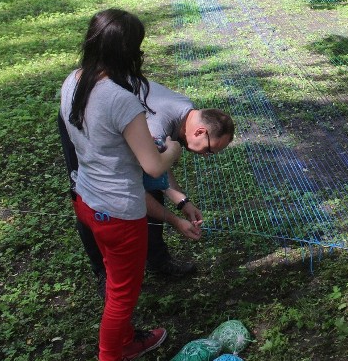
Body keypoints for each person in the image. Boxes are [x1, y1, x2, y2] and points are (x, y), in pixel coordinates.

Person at [60, 9, 181, 361]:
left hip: (88, 200)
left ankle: (127, 341)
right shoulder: (119, 99)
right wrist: (174, 145)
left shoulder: (73, 81)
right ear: (128, 51)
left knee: (117, 280)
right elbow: (154, 165)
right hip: (119, 213)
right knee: (121, 295)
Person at [59, 84, 235, 295]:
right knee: (88, 195)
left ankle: (157, 259)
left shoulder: (186, 112)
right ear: (200, 131)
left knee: (149, 180)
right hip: (81, 115)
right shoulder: (156, 126)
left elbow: (158, 166)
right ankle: (104, 272)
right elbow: (136, 185)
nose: (207, 156)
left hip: (114, 115)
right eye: (209, 150)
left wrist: (182, 201)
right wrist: (175, 220)